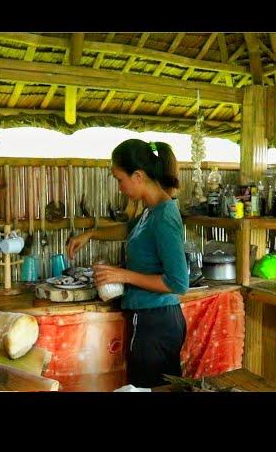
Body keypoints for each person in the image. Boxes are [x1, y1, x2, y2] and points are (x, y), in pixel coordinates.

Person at [67, 138, 189, 388]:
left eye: (120, 180)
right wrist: (90, 234)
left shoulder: (164, 216)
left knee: (145, 387)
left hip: (155, 321)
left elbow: (178, 283)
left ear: (138, 175)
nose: (120, 188)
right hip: (151, 319)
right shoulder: (150, 211)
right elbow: (127, 229)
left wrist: (122, 275)